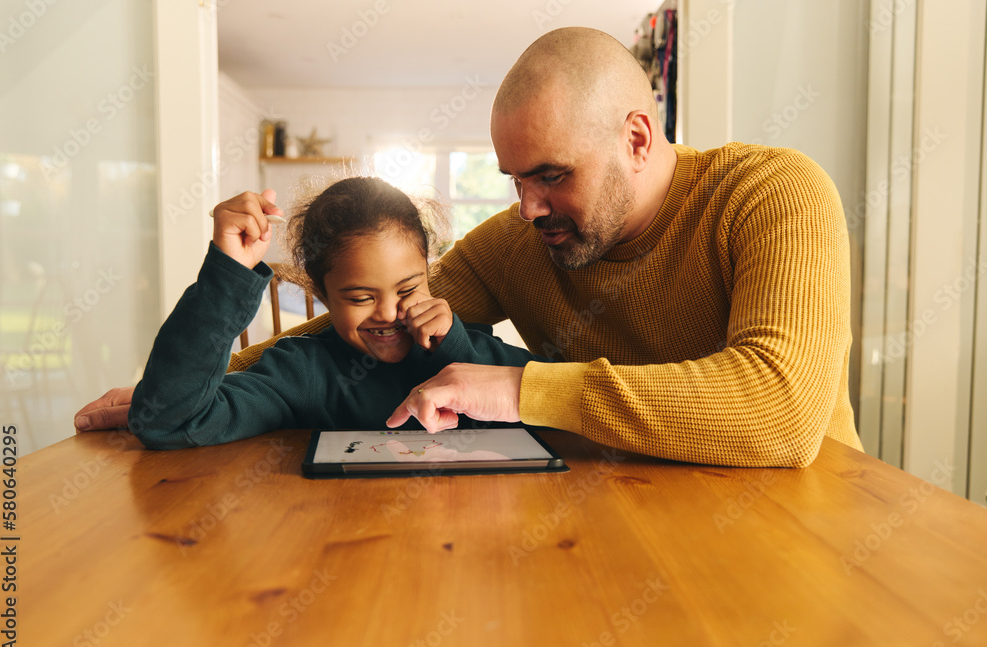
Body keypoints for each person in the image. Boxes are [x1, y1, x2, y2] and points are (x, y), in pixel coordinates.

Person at [78, 27, 862, 467]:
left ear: (636, 137)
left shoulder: (771, 194)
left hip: (796, 526)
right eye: (515, 178)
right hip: (628, 517)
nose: (528, 207)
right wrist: (195, 381)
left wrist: (520, 391)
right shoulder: (522, 238)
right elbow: (374, 321)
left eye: (551, 175)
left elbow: (782, 415)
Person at [125, 177, 550, 449]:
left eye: (408, 288)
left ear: (428, 273)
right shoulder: (303, 372)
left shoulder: (471, 348)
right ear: (324, 296)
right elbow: (170, 424)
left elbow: (555, 406)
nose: (388, 313)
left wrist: (457, 346)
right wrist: (227, 275)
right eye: (361, 297)